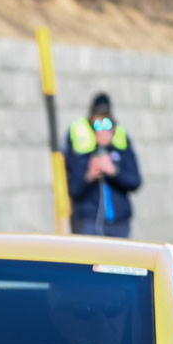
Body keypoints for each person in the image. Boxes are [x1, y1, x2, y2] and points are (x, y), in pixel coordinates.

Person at [64, 93, 142, 238]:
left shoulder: (121, 149)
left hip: (119, 222)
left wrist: (113, 172)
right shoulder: (81, 152)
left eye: (107, 125)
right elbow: (73, 190)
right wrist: (89, 175)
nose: (102, 131)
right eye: (97, 125)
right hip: (88, 222)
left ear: (113, 128)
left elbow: (135, 181)